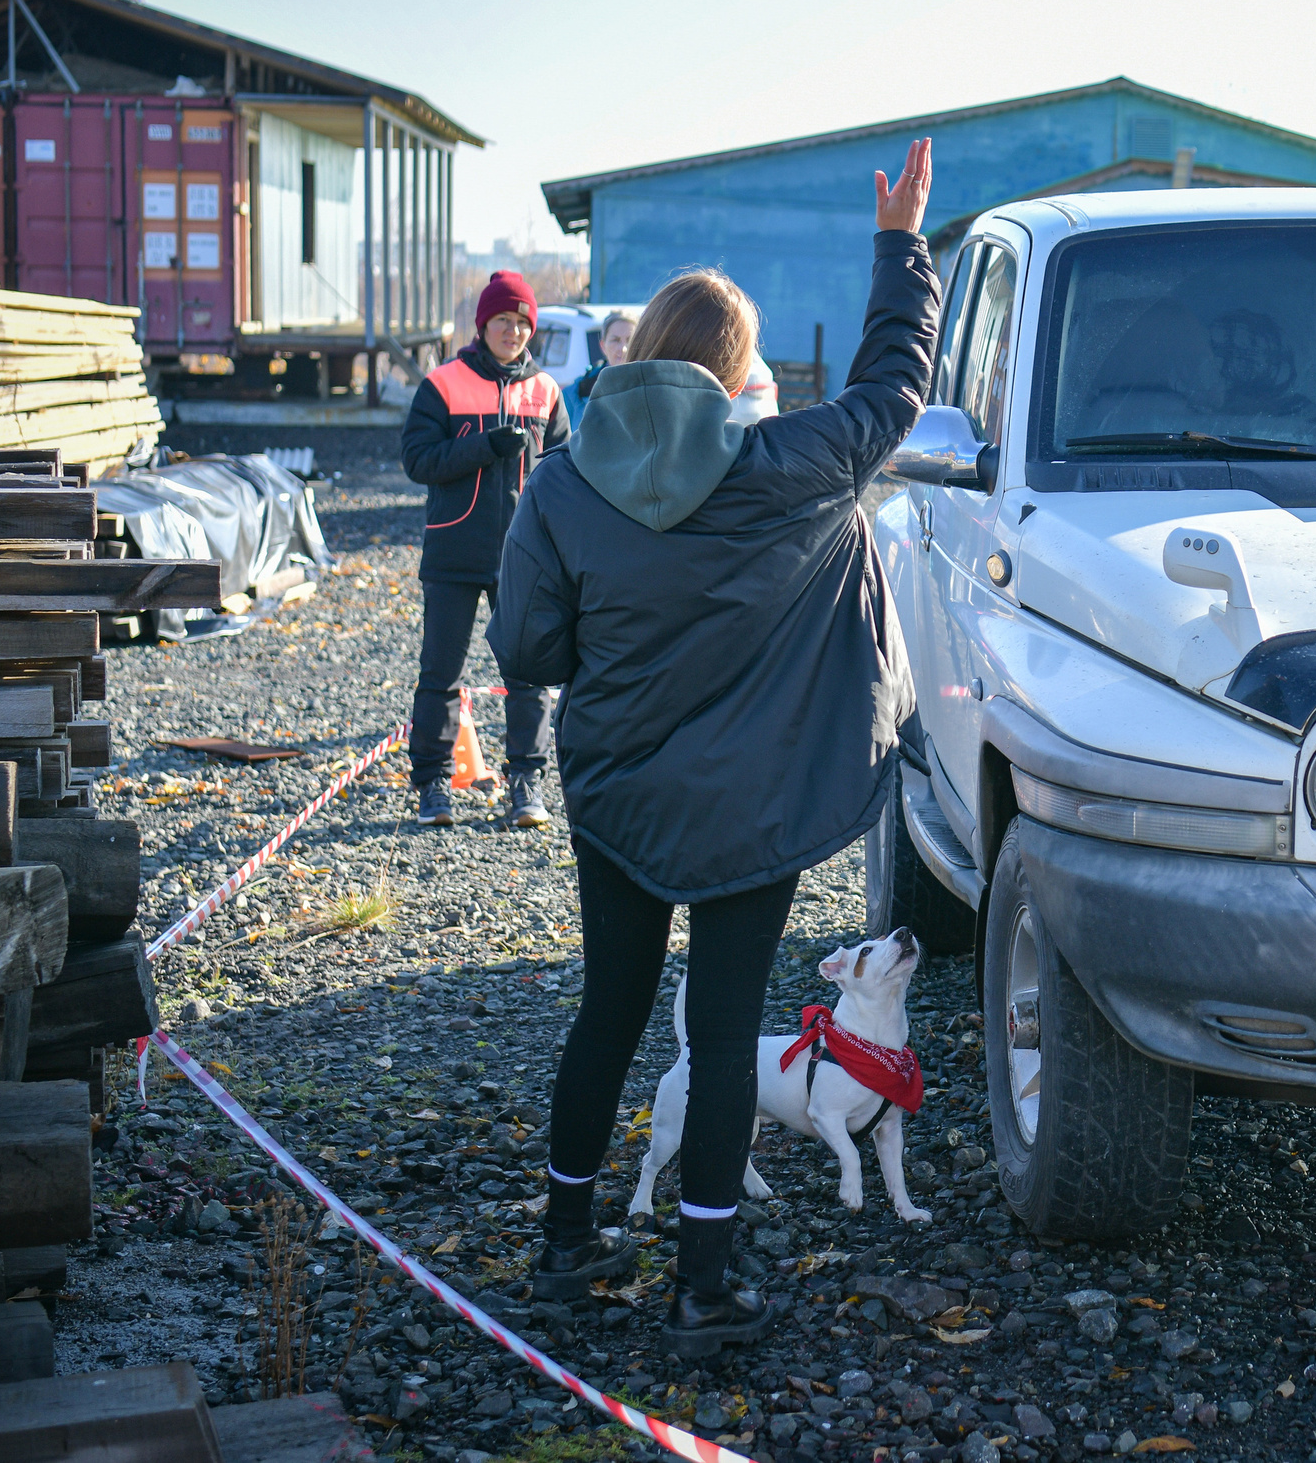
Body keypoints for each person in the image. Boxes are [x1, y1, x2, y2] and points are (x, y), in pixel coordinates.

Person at [488, 139, 936, 1349]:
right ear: (740, 375)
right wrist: (898, 243)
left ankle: (565, 1246)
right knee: (728, 1026)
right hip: (754, 807)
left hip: (620, 800)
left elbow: (527, 655)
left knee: (611, 1014)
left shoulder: (564, 484)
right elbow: (896, 388)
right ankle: (703, 1287)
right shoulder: (786, 468)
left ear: (634, 355)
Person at [400, 270, 570, 828]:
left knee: (528, 674)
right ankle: (431, 784)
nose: (514, 331)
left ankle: (527, 782)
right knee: (441, 674)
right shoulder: (444, 383)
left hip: (523, 558)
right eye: (504, 320)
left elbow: (565, 471)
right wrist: (483, 447)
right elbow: (418, 460)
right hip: (452, 553)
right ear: (483, 324)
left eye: (523, 323)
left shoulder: (545, 391)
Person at [563, 311, 637, 431]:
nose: (623, 348)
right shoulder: (577, 393)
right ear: (603, 345)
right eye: (615, 340)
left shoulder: (651, 389)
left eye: (630, 340)